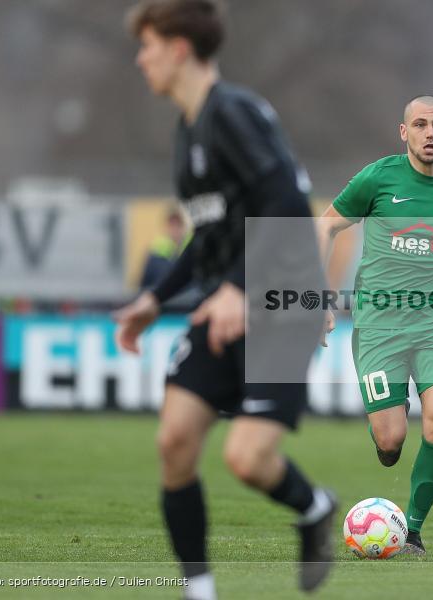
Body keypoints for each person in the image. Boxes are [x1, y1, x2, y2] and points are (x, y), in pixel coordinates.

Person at [113, 2, 335, 597]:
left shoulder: (233, 113)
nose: (141, 60)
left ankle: (314, 508)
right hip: (225, 306)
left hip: (282, 303)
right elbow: (207, 233)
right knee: (174, 441)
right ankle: (200, 590)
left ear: (179, 48)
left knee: (248, 459)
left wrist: (240, 285)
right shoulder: (188, 129)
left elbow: (288, 206)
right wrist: (155, 299)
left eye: (148, 46)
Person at [317, 95, 433, 555]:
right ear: (404, 132)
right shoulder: (377, 179)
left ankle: (414, 531)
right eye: (420, 124)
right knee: (391, 441)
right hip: (379, 325)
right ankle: (389, 428)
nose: (429, 132)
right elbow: (326, 227)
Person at [139, 207, 189, 290]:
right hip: (161, 297)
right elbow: (145, 283)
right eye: (172, 225)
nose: (175, 229)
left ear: (183, 227)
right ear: (166, 227)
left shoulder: (190, 250)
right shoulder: (155, 252)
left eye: (178, 225)